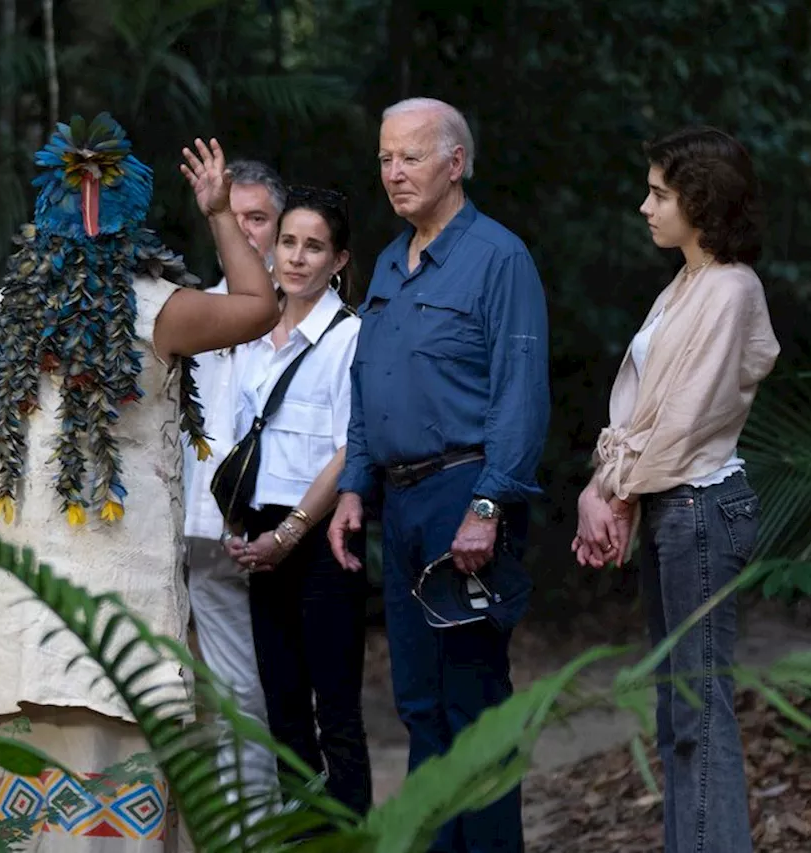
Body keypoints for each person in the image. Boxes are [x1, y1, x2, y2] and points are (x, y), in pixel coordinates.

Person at [0, 117, 279, 852]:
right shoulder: (157, 309)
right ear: (132, 222)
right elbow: (260, 305)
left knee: (33, 818)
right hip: (120, 606)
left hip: (21, 603)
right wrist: (221, 214)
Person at [328, 97, 550, 852]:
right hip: (402, 501)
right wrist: (354, 484)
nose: (393, 172)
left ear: (455, 163)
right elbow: (368, 386)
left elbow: (521, 393)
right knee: (418, 702)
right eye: (386, 157)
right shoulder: (391, 260)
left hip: (468, 493)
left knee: (473, 703)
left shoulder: (499, 257)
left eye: (410, 156)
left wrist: (489, 504)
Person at [573, 127, 778, 853]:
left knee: (701, 711)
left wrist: (611, 488)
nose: (644, 206)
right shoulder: (687, 281)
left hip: (700, 505)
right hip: (673, 505)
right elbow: (644, 416)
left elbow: (686, 424)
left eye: (659, 192)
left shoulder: (729, 289)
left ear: (701, 199)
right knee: (679, 710)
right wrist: (604, 487)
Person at [228, 185, 369, 815]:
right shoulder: (251, 329)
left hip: (320, 534)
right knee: (280, 705)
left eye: (314, 247)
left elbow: (349, 450)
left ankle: (350, 835)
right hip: (260, 532)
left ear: (339, 261)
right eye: (288, 242)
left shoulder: (350, 336)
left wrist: (290, 532)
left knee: (335, 708)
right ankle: (301, 831)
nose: (296, 258)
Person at [181, 159, 285, 807]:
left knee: (274, 689)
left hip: (281, 531)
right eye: (233, 215)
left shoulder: (305, 312)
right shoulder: (194, 310)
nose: (246, 233)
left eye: (258, 218)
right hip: (201, 533)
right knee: (224, 693)